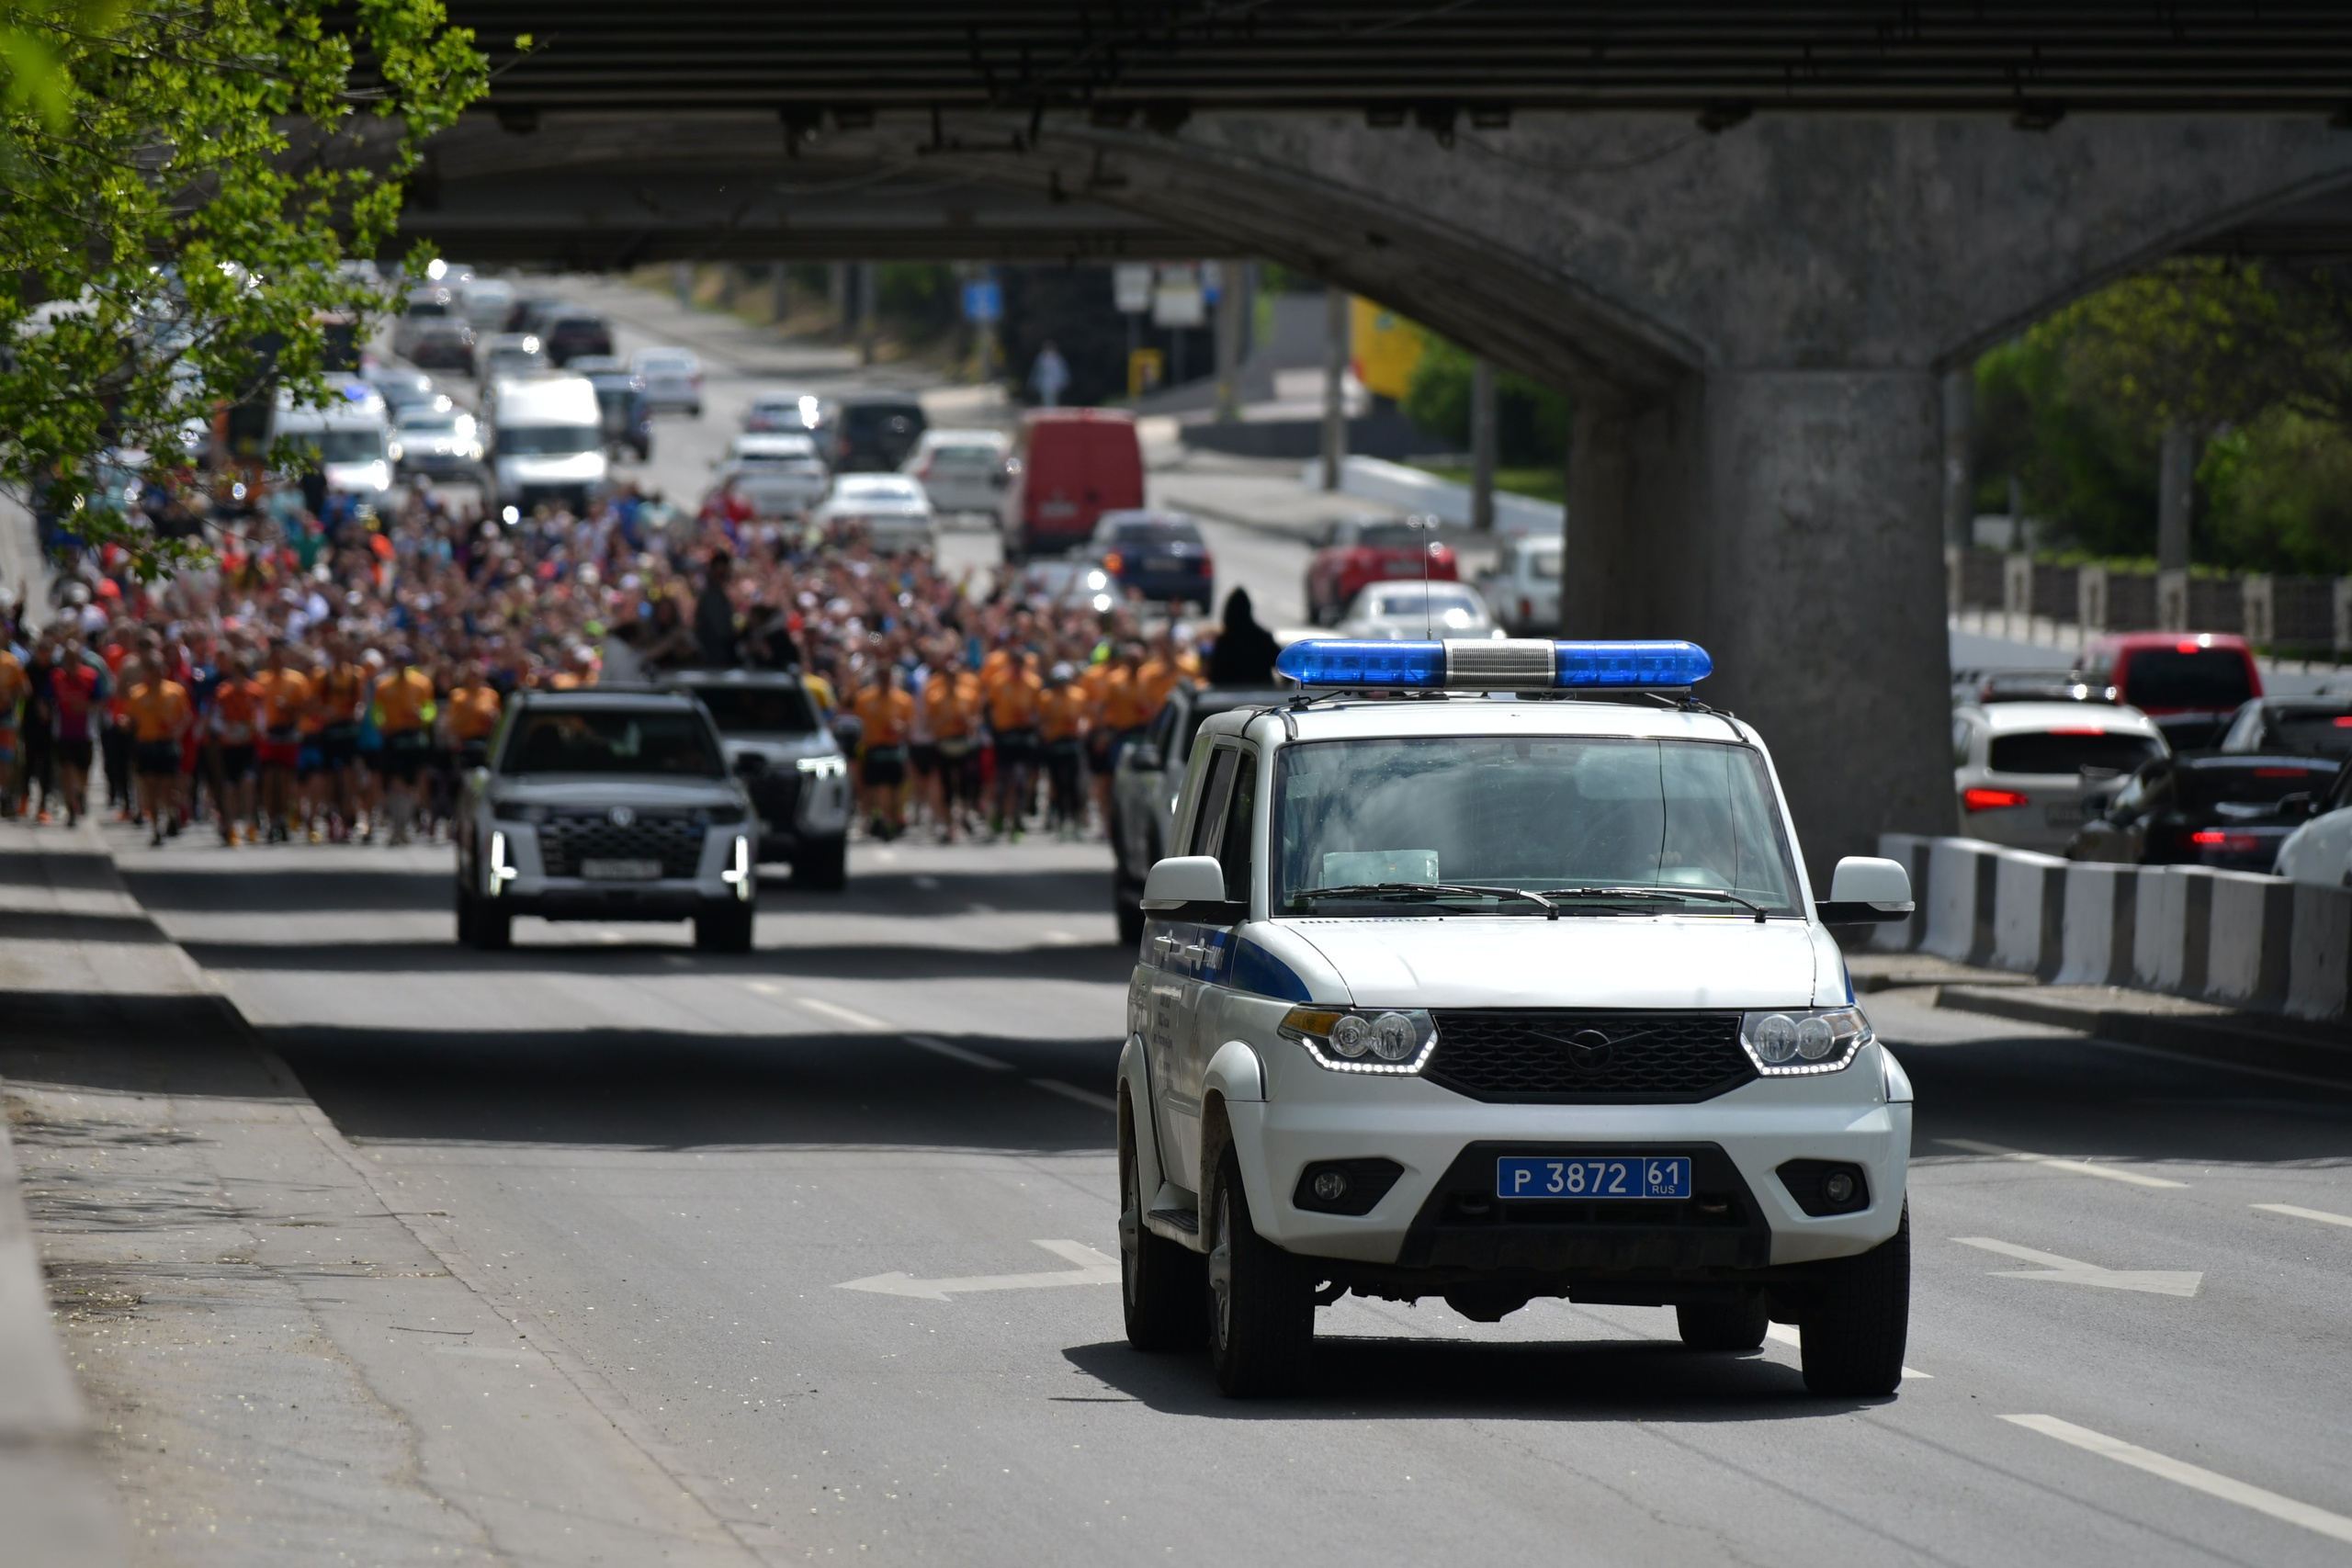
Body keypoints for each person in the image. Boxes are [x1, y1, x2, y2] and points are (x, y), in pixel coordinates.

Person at [121, 656, 193, 846]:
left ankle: (171, 813)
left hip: (167, 744)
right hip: (146, 745)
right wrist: (125, 724)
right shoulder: (137, 694)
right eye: (151, 671)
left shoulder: (175, 691)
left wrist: (178, 731)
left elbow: (186, 716)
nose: (155, 674)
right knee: (150, 786)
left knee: (167, 786)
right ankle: (155, 828)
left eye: (158, 670)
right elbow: (131, 720)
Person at [370, 648, 437, 845]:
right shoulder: (384, 685)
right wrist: (381, 724)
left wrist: (422, 716)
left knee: (413, 782)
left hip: (414, 737)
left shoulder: (421, 683)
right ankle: (396, 825)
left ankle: (406, 823)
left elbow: (430, 708)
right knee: (394, 782)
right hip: (393, 737)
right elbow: (376, 711)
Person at [48, 634, 107, 827]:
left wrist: (85, 707)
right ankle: (70, 806)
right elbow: (46, 698)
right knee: (67, 771)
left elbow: (100, 701)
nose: (71, 663)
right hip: (63, 732)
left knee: (82, 772)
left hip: (85, 733)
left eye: (74, 658)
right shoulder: (56, 677)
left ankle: (80, 795)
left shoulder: (90, 676)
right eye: (68, 659)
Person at [850, 664, 913, 840]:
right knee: (875, 787)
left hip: (894, 748)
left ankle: (893, 819)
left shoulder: (903, 699)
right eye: (882, 677)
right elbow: (856, 723)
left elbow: (910, 725)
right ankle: (877, 819)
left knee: (895, 788)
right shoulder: (864, 698)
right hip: (872, 749)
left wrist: (902, 728)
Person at [209, 652, 264, 845]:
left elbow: (261, 718)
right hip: (229, 747)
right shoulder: (223, 693)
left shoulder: (255, 692)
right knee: (230, 788)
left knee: (248, 783)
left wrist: (254, 728)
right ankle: (231, 826)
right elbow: (215, 719)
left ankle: (250, 823)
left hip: (248, 745)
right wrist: (227, 728)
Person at [1206, 586, 1280, 686]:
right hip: (1264, 696)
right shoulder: (1262, 638)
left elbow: (1213, 675)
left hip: (1227, 698)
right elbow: (1282, 663)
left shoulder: (1224, 642)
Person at [694, 551, 739, 667]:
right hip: (716, 660)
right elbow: (721, 631)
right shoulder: (711, 597)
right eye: (719, 572)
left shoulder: (720, 595)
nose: (722, 575)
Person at [1029, 341, 1070, 409]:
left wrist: (1064, 381)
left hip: (1055, 383)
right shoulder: (1041, 358)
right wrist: (1034, 382)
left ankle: (1053, 413)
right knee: (1046, 400)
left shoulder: (1058, 358)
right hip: (1045, 383)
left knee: (1054, 399)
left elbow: (1062, 371)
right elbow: (1037, 372)